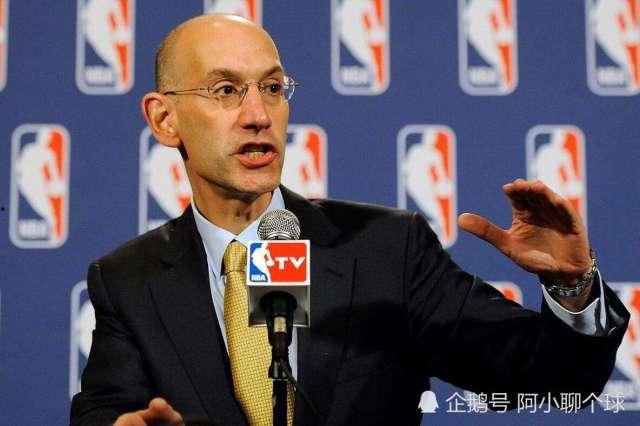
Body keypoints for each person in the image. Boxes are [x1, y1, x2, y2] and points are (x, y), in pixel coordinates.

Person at [70, 14, 629, 426]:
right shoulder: (128, 279)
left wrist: (573, 288)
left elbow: (552, 380)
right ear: (164, 119)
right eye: (226, 91)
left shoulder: (386, 248)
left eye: (272, 88)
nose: (258, 115)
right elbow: (103, 411)